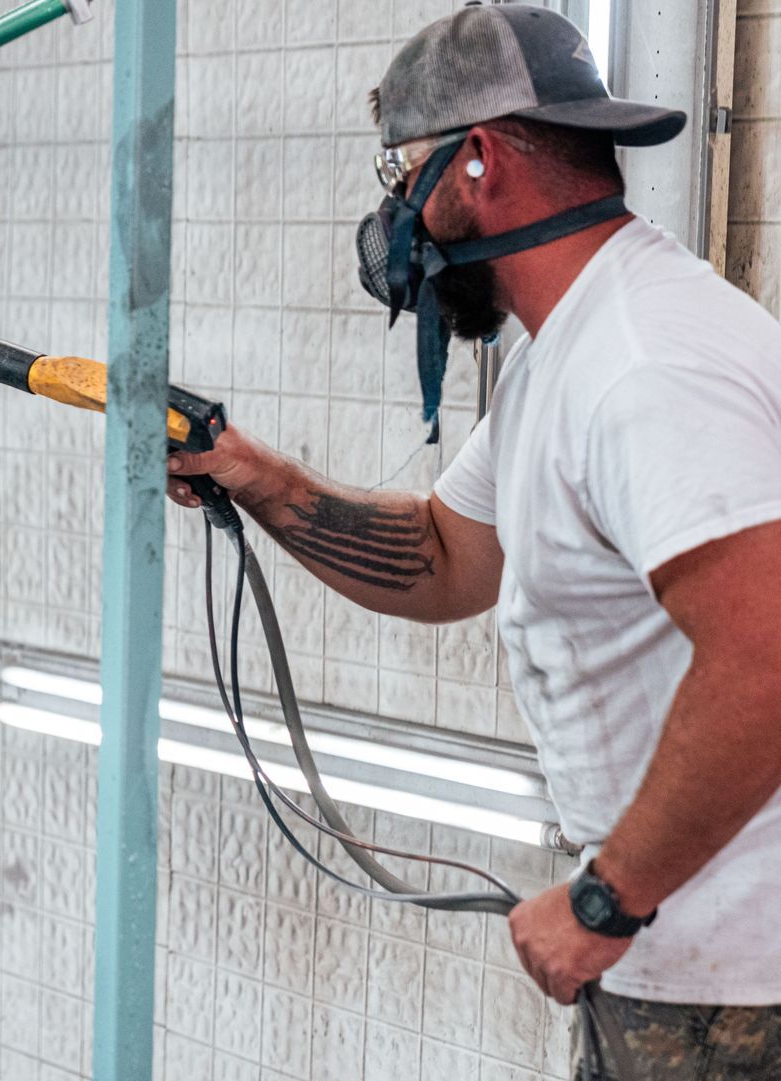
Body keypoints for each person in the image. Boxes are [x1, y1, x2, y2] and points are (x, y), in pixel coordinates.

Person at [167, 4, 781, 1077]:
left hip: (735, 978)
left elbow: (769, 654)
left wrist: (606, 897)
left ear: (481, 160)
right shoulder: (571, 350)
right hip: (674, 960)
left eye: (408, 175)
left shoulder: (646, 365)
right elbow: (450, 558)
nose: (399, 210)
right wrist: (256, 477)